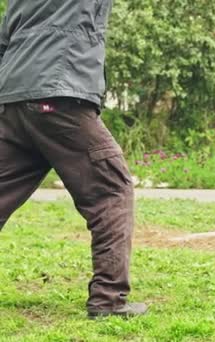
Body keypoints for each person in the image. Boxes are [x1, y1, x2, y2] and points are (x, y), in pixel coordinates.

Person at [0, 0, 147, 318]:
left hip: (14, 99)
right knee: (112, 192)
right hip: (60, 96)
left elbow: (4, 38)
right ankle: (108, 300)